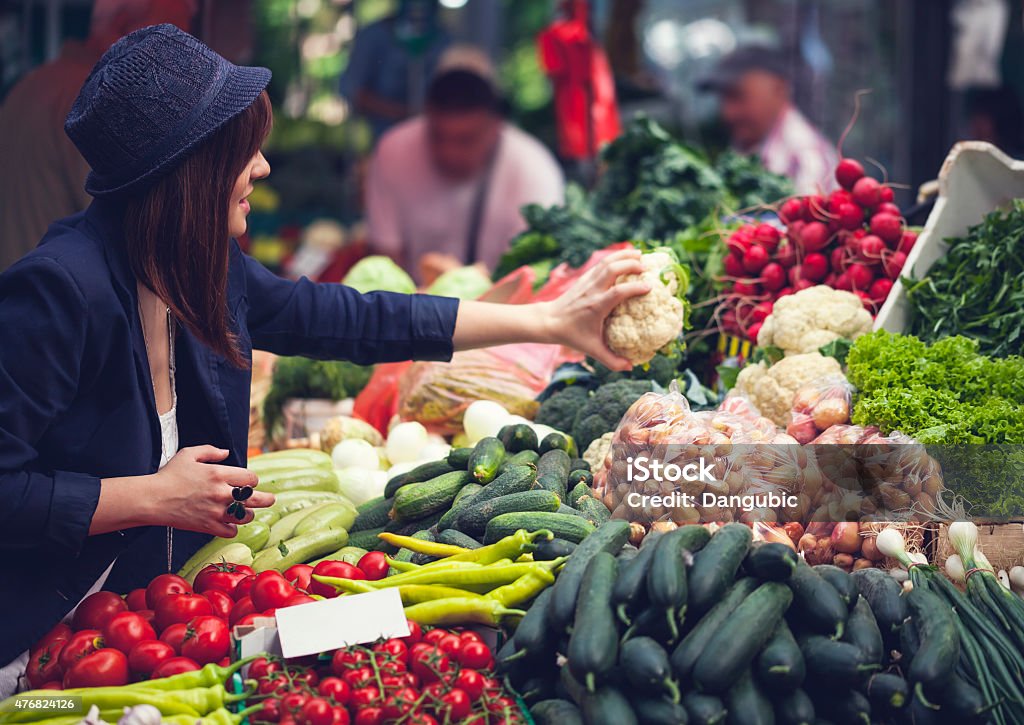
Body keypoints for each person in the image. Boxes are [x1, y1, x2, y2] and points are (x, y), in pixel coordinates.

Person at [0, 25, 649, 690]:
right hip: (38, 656)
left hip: (140, 635)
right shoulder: (58, 292)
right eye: (243, 151)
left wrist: (550, 320)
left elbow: (356, 319)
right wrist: (150, 497)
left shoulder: (199, 266)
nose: (263, 167)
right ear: (189, 172)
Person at [0, 0, 196, 272]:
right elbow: (129, 229)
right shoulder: (98, 100)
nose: (183, 61)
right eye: (172, 41)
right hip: (62, 299)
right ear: (123, 26)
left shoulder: (32, 85)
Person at [366, 58, 565, 282]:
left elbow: (539, 275)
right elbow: (385, 260)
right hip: (411, 308)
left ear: (496, 127)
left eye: (466, 140)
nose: (449, 152)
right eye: (437, 137)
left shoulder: (535, 170)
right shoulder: (394, 151)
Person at [699, 45, 838, 195]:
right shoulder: (745, 147)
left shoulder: (808, 160)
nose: (728, 113)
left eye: (737, 96)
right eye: (723, 99)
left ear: (779, 89)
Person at [339, 0, 450, 141]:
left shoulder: (445, 40)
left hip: (432, 142)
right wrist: (403, 113)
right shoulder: (374, 36)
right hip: (382, 138)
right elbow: (352, 90)